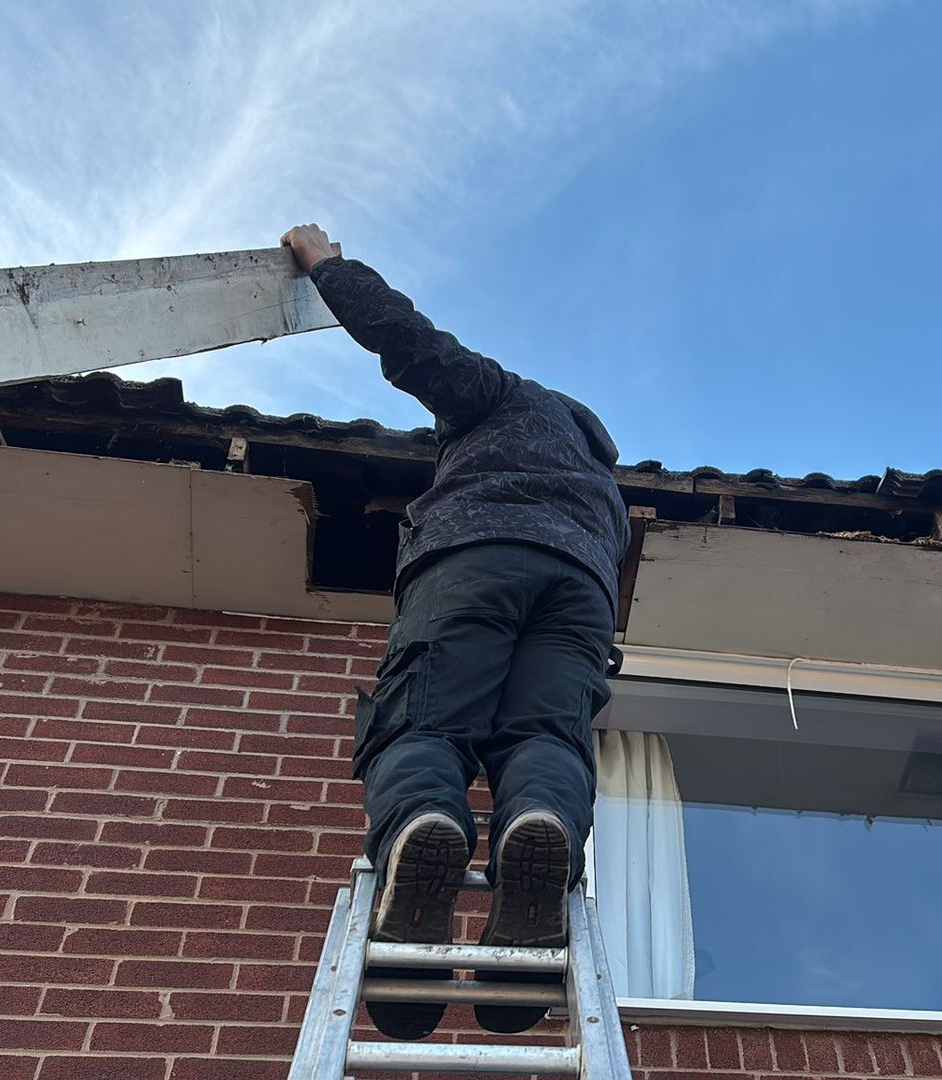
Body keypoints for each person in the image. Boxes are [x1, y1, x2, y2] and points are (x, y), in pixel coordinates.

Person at [281, 225, 629, 1040]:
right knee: (547, 733)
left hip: (477, 562)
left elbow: (411, 342)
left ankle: (419, 826)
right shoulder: (603, 492)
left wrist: (329, 268)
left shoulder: (507, 398)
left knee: (426, 719)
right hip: (582, 593)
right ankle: (538, 824)